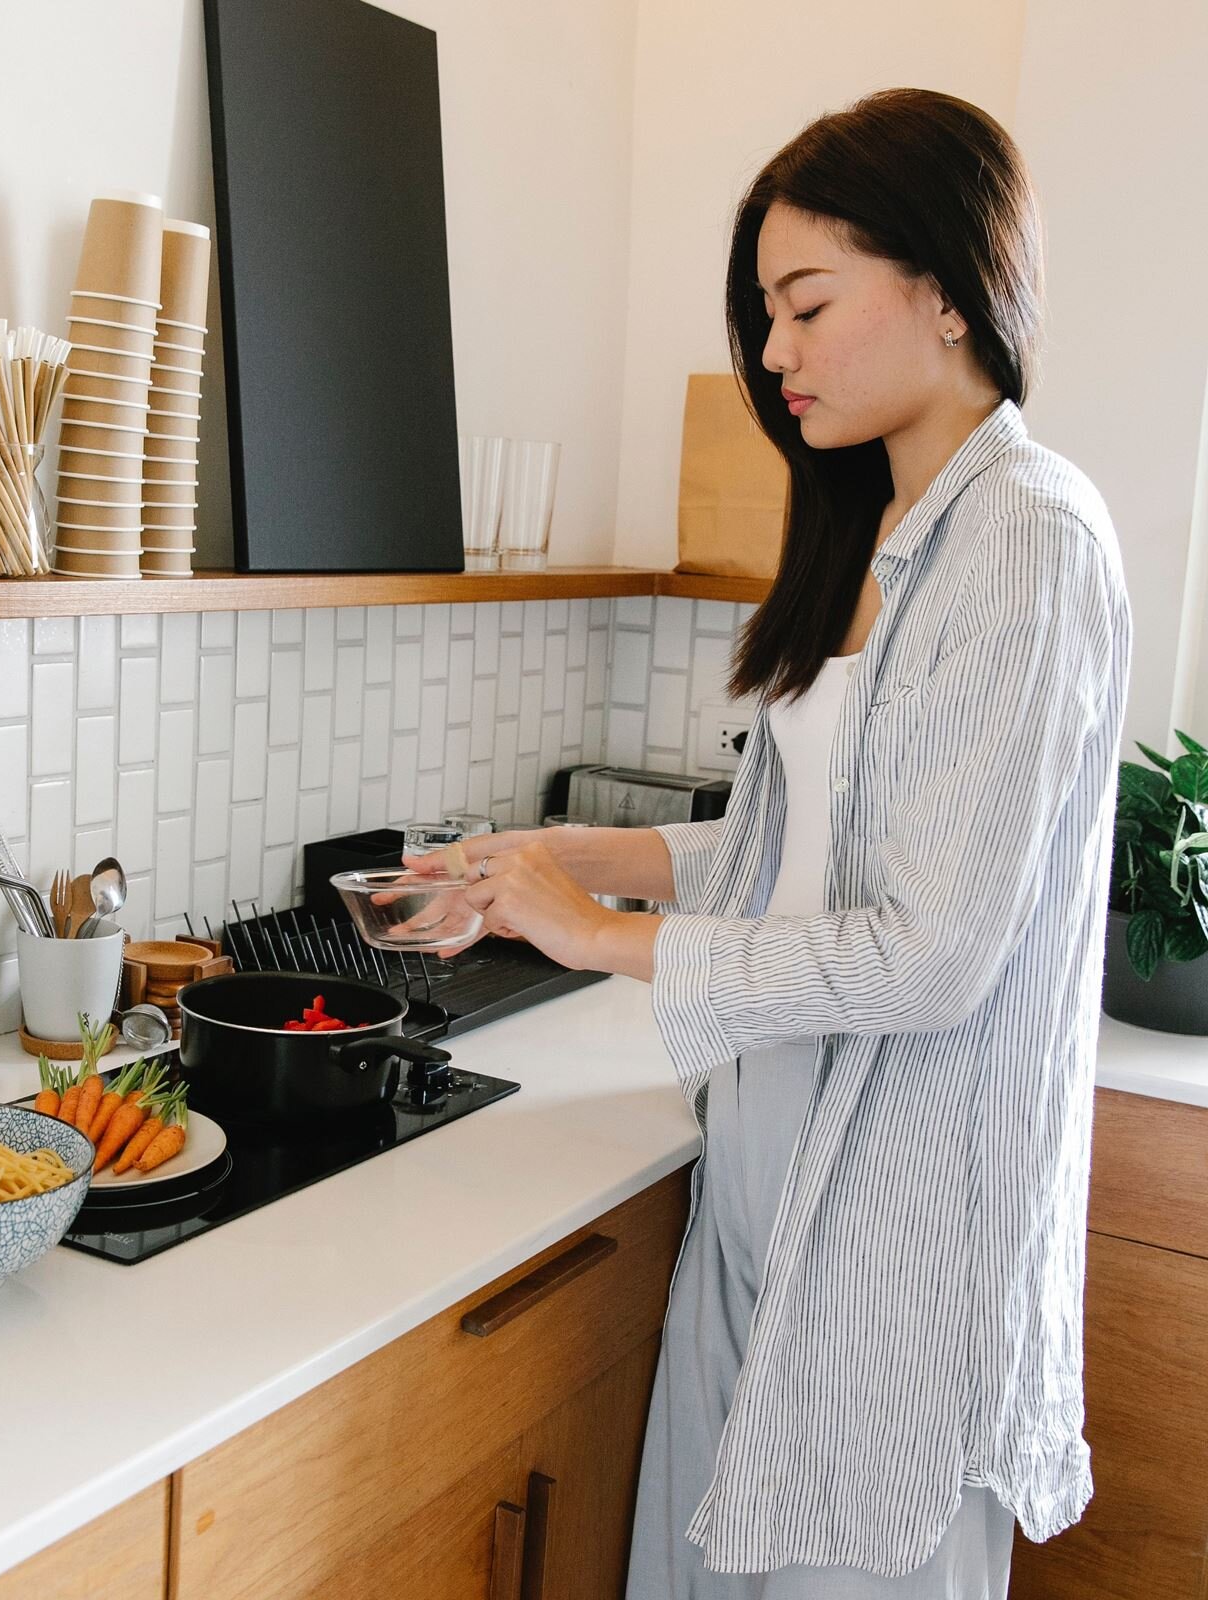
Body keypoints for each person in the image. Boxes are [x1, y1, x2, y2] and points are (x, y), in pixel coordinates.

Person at [408, 88, 1132, 1597]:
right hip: (769, 1160)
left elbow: (931, 953)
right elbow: (804, 847)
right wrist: (561, 857)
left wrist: (599, 937)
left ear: (944, 288)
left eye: (805, 305)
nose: (774, 355)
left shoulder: (1031, 541)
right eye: (766, 316)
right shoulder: (878, 531)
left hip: (895, 1233)